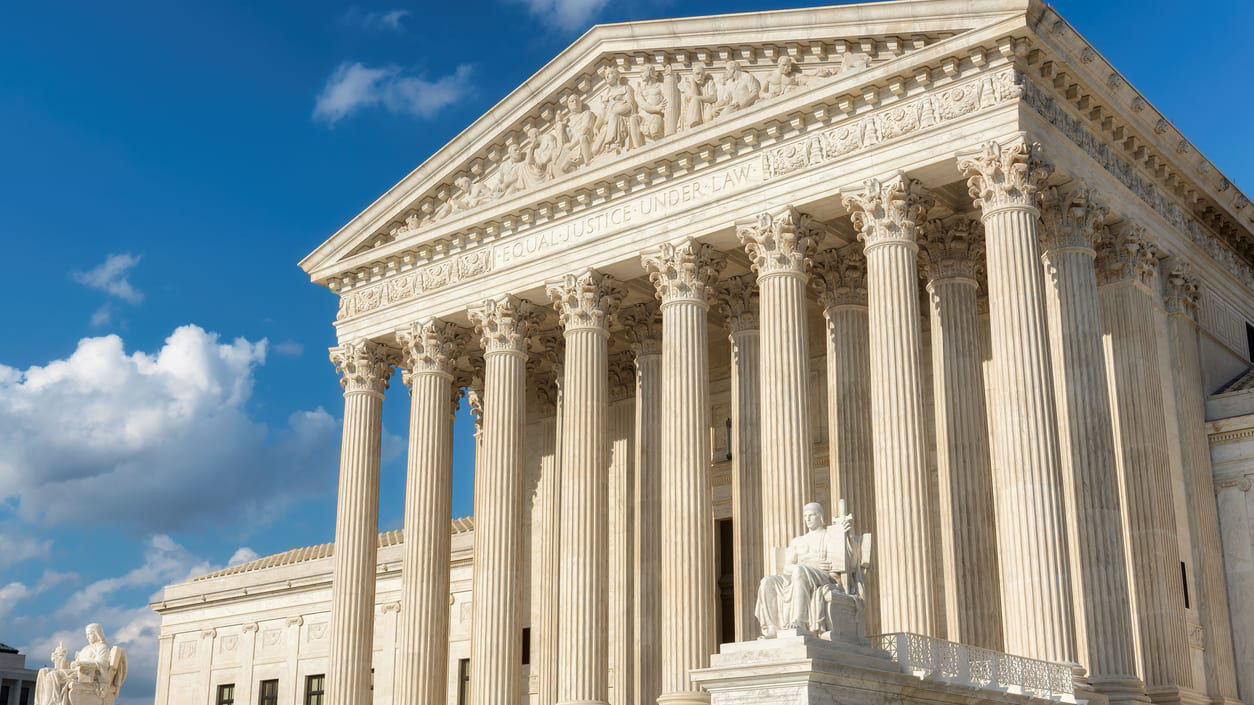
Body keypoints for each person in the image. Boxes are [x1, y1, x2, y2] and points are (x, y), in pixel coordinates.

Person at [755, 503, 865, 638]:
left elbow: (850, 562)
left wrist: (849, 536)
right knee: (767, 581)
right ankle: (772, 627)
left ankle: (800, 622)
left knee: (799, 571)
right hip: (798, 575)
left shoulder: (829, 535)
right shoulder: (797, 541)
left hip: (824, 577)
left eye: (811, 515)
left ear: (820, 517)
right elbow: (787, 568)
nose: (807, 519)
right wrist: (809, 564)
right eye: (805, 516)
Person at [34, 624, 114, 705]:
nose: (87, 637)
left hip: (87, 675)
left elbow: (102, 663)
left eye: (90, 634)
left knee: (53, 675)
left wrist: (80, 663)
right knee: (43, 671)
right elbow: (71, 666)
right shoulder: (85, 648)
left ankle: (51, 703)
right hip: (76, 672)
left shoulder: (102, 647)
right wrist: (61, 657)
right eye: (87, 634)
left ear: (97, 633)